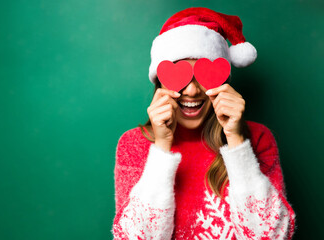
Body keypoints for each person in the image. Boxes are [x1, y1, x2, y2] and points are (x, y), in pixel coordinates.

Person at [111, 7, 296, 240]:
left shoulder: (258, 138)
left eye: (202, 75)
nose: (191, 90)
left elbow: (271, 236)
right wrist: (161, 148)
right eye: (180, 76)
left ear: (223, 82)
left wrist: (237, 142)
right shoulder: (134, 144)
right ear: (160, 83)